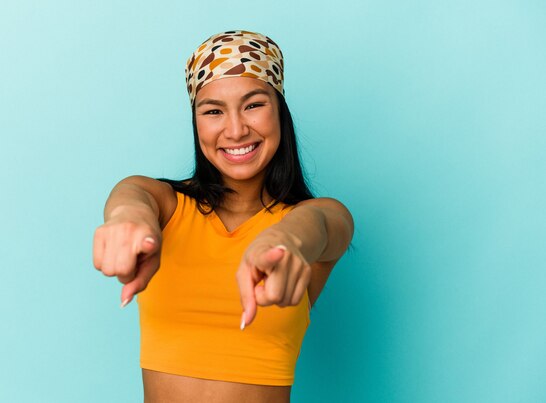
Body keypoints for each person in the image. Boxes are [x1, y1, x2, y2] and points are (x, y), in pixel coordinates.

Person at [93, 30, 354, 403]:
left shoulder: (320, 215)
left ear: (279, 110)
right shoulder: (168, 205)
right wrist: (127, 217)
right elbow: (133, 196)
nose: (235, 129)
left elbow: (319, 227)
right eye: (213, 110)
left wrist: (286, 241)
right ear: (196, 121)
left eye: (253, 105)